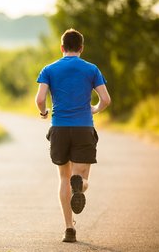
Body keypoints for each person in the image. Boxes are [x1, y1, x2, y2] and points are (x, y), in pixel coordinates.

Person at [35, 28, 111, 243]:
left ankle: (69, 229)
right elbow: (105, 99)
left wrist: (43, 113)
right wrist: (95, 109)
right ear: (81, 48)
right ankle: (81, 185)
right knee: (82, 178)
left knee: (63, 178)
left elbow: (40, 99)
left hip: (59, 128)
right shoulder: (91, 69)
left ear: (62, 48)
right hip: (83, 128)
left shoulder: (49, 69)